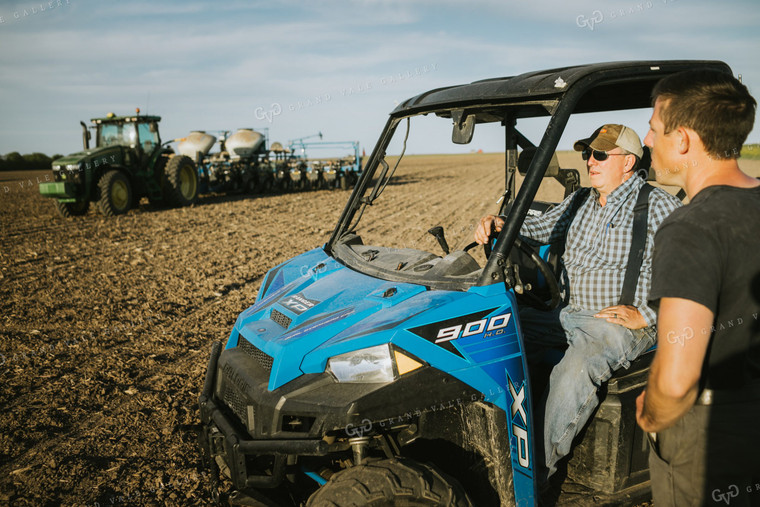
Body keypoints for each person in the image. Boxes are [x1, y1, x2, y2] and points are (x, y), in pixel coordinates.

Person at [474, 124, 682, 484]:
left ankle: (531, 477)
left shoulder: (658, 206)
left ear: (628, 162)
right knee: (496, 331)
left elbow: (694, 271)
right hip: (567, 314)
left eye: (600, 154)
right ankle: (481, 450)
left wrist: (648, 314)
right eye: (588, 153)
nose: (590, 161)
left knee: (575, 368)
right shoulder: (581, 199)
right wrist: (501, 224)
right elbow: (540, 228)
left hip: (618, 324)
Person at [635, 70, 759, 506]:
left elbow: (677, 381)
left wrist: (651, 413)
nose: (647, 141)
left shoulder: (690, 227)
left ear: (682, 140)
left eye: (653, 129)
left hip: (712, 435)